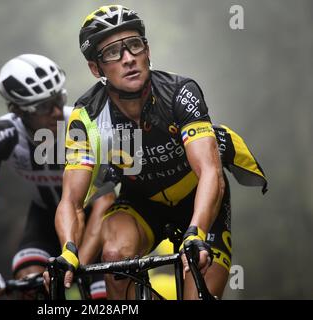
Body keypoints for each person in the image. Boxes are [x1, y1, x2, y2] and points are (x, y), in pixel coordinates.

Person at [49, 5, 267, 299]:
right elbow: (72, 201)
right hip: (141, 202)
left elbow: (210, 172)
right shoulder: (86, 115)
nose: (128, 59)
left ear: (147, 50)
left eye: (134, 45)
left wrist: (197, 233)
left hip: (198, 200)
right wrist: (69, 251)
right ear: (95, 68)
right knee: (114, 255)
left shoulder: (180, 93)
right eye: (113, 52)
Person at [0, 54, 113, 299]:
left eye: (59, 99)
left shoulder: (83, 126)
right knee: (31, 285)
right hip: (44, 218)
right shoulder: (0, 136)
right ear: (17, 110)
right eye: (44, 106)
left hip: (95, 220)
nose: (56, 111)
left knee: (103, 297)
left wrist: (77, 262)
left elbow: (104, 202)